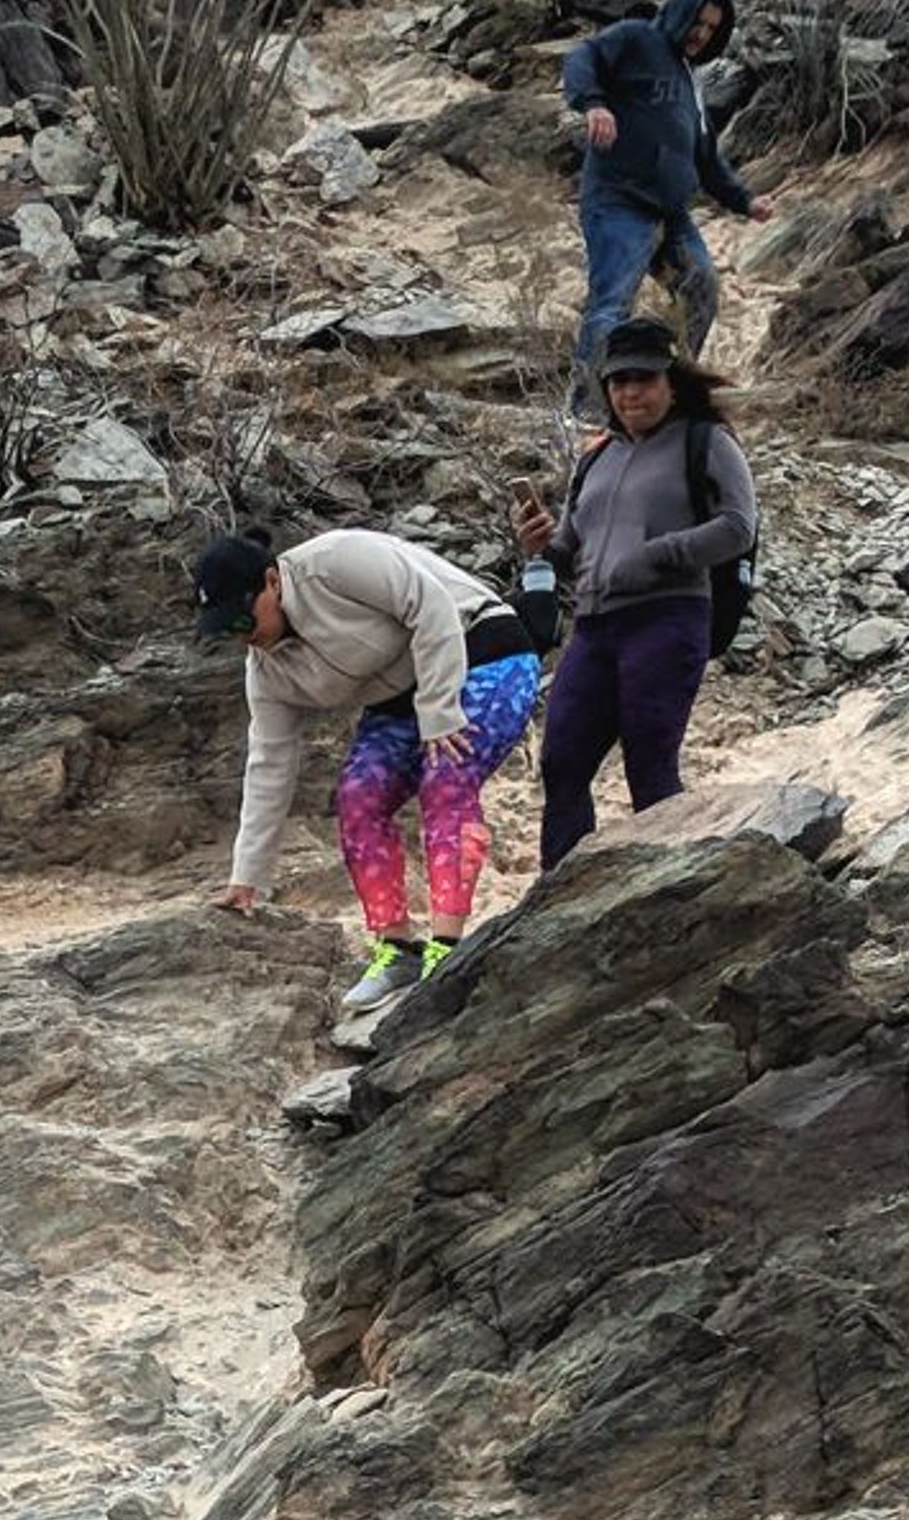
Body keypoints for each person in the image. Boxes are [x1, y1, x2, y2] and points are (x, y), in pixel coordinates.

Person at [197, 524, 546, 1007]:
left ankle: (447, 950)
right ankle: (397, 948)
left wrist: (441, 711)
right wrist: (246, 877)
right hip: (399, 699)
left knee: (445, 778)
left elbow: (432, 606)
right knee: (359, 797)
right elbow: (269, 762)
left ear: (272, 581)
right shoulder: (267, 671)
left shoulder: (338, 560)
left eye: (243, 620)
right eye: (227, 632)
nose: (245, 638)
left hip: (481, 650)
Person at [525, 321, 757, 870]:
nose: (631, 392)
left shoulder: (707, 441)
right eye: (619, 380)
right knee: (562, 764)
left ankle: (667, 894)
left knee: (650, 767)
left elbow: (737, 527)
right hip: (594, 626)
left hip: (669, 618)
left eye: (644, 379)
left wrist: (659, 553)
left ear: (670, 381)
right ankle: (557, 895)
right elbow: (569, 545)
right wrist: (539, 546)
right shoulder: (596, 457)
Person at [559, 0, 769, 402]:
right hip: (618, 202)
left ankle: (670, 394)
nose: (701, 35)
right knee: (611, 304)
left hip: (671, 215)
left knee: (701, 289)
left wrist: (745, 201)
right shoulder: (637, 38)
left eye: (712, 29)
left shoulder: (691, 81)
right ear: (680, 11)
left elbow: (708, 160)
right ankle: (585, 410)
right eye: (698, 22)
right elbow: (584, 58)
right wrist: (594, 104)